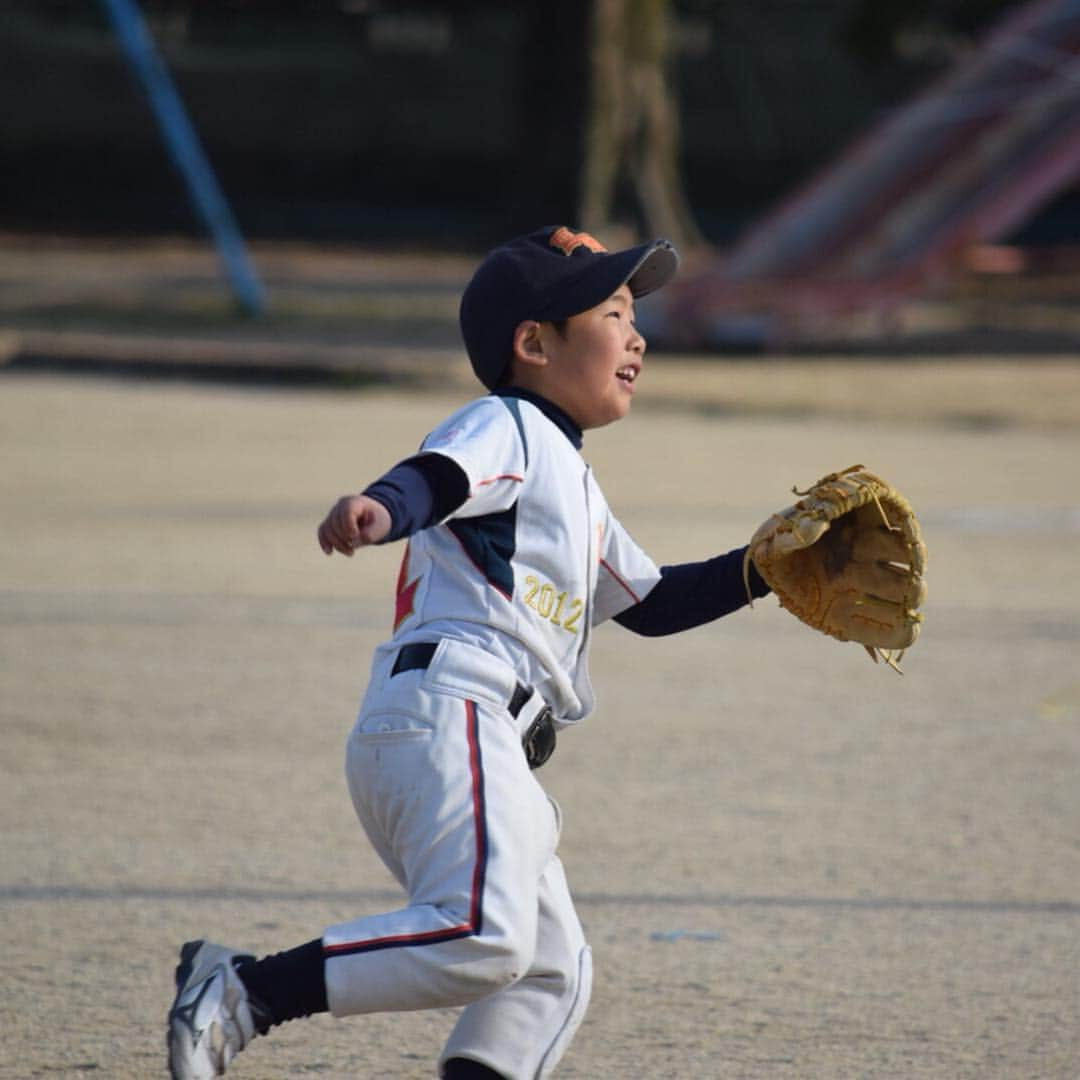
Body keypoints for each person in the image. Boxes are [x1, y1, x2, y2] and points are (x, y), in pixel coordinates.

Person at [166, 225, 771, 1079]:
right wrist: (381, 509)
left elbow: (652, 603)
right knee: (484, 936)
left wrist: (765, 569)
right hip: (453, 714)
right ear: (533, 343)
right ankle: (245, 991)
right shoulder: (510, 424)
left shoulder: (571, 477)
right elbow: (439, 476)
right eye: (612, 310)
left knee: (550, 974)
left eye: (636, 314)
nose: (637, 335)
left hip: (480, 742)